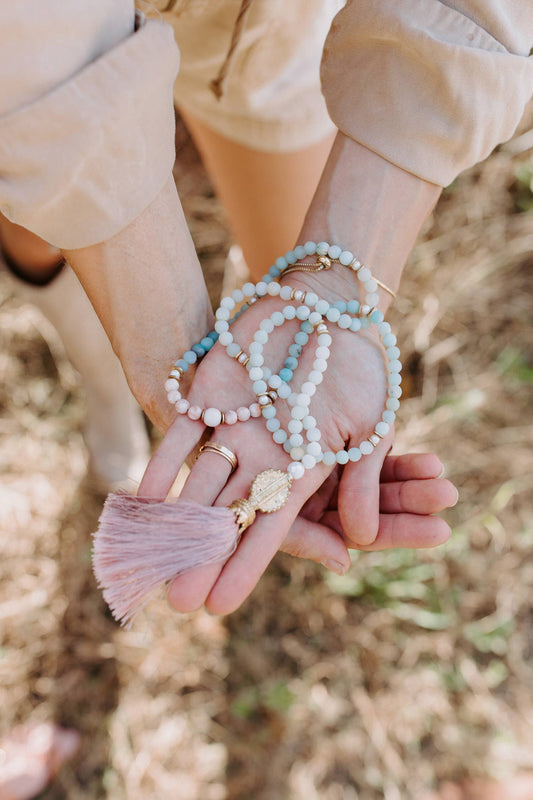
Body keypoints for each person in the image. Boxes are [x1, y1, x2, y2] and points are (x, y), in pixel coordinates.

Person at [0, 2, 532, 796]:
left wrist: (333, 282)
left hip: (269, 27)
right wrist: (158, 350)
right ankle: (107, 389)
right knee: (40, 207)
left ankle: (136, 401)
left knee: (284, 228)